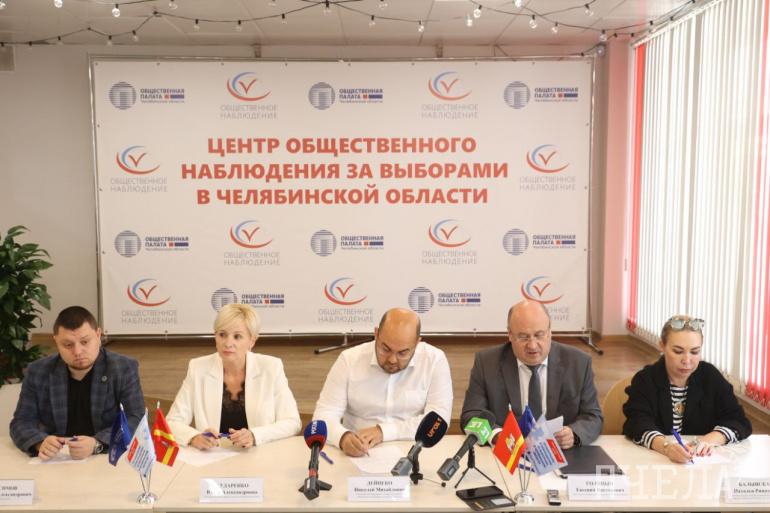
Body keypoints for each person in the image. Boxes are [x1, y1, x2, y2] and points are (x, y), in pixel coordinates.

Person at [461, 300, 603, 448]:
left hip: (559, 454)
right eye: (524, 337)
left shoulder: (578, 363)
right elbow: (471, 416)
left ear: (550, 332)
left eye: (539, 335)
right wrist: (497, 435)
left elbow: (593, 417)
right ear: (510, 334)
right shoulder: (486, 363)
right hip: (507, 454)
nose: (533, 345)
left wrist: (573, 434)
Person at [313, 308, 453, 457]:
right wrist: (342, 437)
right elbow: (323, 415)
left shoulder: (434, 360)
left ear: (417, 343)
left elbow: (439, 420)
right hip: (357, 453)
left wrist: (383, 432)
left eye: (403, 353)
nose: (392, 360)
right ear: (376, 334)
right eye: (385, 349)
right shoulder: (349, 360)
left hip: (413, 451)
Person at [10, 306, 145, 459]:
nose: (78, 351)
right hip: (56, 458)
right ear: (56, 341)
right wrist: (39, 442)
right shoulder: (38, 371)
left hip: (104, 456)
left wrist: (97, 443)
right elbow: (21, 422)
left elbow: (136, 418)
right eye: (68, 345)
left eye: (85, 342)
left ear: (98, 335)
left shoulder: (123, 368)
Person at [166, 303, 300, 449]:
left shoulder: (271, 367)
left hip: (259, 454)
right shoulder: (198, 368)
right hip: (213, 455)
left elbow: (292, 422)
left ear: (252, 341)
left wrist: (255, 435)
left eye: (237, 336)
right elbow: (172, 422)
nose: (228, 343)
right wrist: (194, 437)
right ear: (215, 336)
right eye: (222, 334)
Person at [622, 315, 752, 463]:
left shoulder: (710, 377)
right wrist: (666, 447)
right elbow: (636, 423)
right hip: (655, 463)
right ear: (662, 346)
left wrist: (708, 440)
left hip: (701, 467)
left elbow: (739, 421)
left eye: (695, 352)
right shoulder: (646, 379)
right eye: (678, 351)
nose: (687, 360)